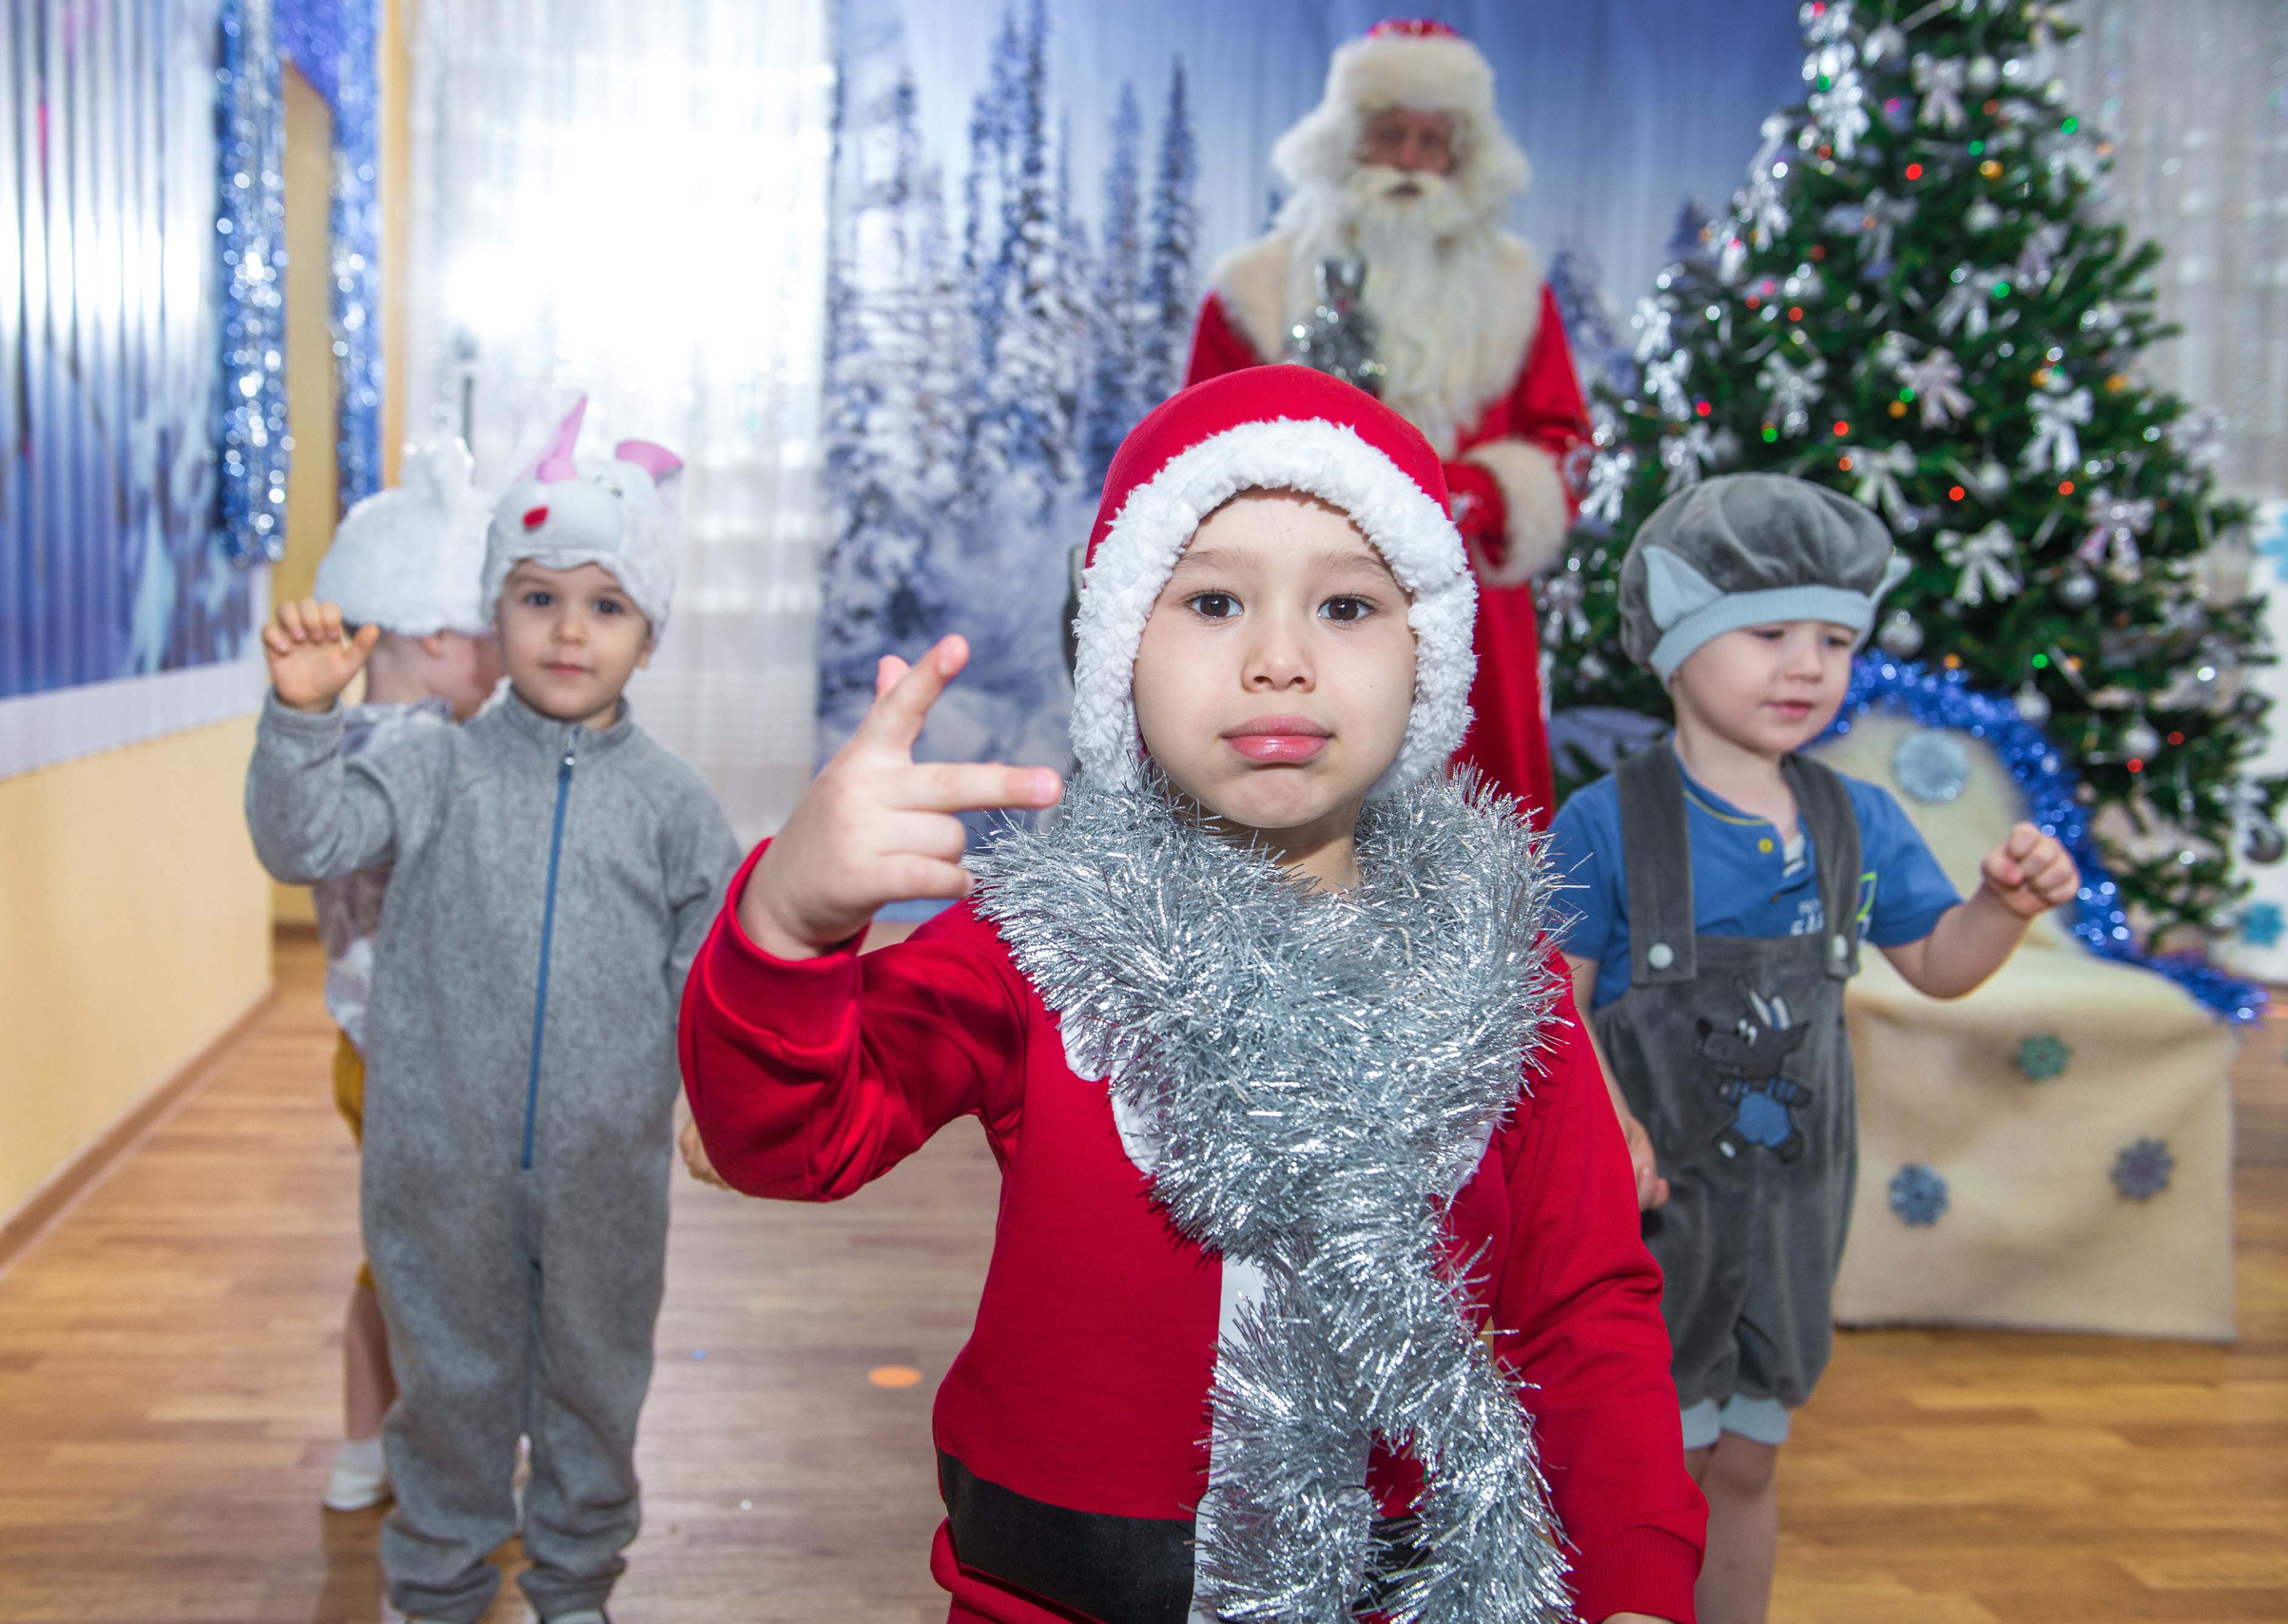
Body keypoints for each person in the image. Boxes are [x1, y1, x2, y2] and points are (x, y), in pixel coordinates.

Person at [681, 367, 1704, 1624]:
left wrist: (1641, 1578)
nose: (1279, 660)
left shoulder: (1501, 967)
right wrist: (786, 927)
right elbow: (783, 1144)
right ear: (1121, 649)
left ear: (1425, 655)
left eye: (1345, 605)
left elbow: (1586, 1308)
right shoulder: (1035, 938)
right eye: (1213, 599)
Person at [1541, 474, 2081, 1624]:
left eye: (1834, 639)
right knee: (1646, 1462)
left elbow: (1939, 963)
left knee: (1744, 1457)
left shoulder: (1861, 820)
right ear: (1676, 645)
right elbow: (1553, 998)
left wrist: (2003, 907)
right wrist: (1610, 1124)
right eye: (1768, 632)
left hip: (1792, 1213)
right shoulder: (1602, 822)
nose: (1807, 665)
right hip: (1652, 1216)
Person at [246, 397, 742, 1624]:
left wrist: (720, 1109)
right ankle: (438, 1591)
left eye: (606, 603)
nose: (570, 629)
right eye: (537, 596)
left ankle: (574, 1591)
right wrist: (302, 718)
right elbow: (298, 835)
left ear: (648, 633)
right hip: (435, 1168)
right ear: (494, 608)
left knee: (593, 1391)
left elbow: (711, 979)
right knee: (451, 1396)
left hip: (603, 1176)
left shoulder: (678, 808)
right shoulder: (426, 764)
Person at [1184, 18, 1588, 823]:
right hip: (1297, 605)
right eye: (1388, 136)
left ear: (1463, 158)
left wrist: (1474, 492)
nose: (1409, 161)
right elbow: (1192, 457)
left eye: (1432, 141)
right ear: (1342, 147)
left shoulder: (1515, 293)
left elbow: (1565, 444)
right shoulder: (1254, 293)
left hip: (1469, 607)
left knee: (1483, 831)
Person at [301, 440, 506, 1516]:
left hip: (367, 1054)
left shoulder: (339, 745)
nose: (511, 660)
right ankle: (438, 1454)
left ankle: (361, 1445)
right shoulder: (422, 761)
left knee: (392, 1262)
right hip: (424, 1063)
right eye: (491, 634)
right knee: (444, 1272)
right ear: (435, 633)